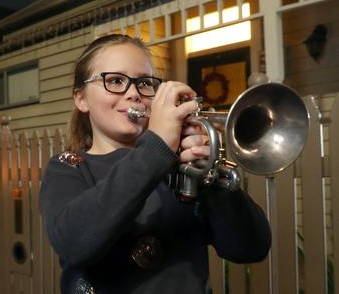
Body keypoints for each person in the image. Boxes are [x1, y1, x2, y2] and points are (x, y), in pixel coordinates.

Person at [38, 34, 271, 293]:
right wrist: (157, 145)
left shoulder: (182, 168)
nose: (134, 94)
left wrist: (211, 175)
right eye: (115, 80)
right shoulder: (68, 167)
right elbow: (74, 242)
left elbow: (250, 247)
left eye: (145, 83)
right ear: (81, 99)